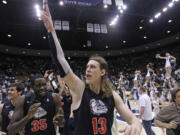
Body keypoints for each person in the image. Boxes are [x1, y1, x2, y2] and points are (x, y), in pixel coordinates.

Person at [40, 4, 142, 135]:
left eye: (92, 67)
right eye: (87, 67)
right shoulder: (79, 89)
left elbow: (133, 118)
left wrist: (135, 125)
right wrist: (51, 30)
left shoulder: (112, 96)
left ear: (102, 72)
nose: (87, 70)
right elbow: (60, 60)